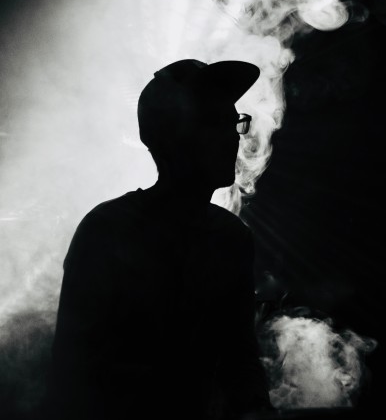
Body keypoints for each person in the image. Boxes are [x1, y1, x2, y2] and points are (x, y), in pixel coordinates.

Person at [48, 59, 272, 420]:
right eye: (214, 121)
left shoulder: (231, 238)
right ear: (173, 137)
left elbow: (239, 353)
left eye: (234, 122)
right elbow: (72, 374)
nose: (233, 136)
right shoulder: (109, 231)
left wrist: (256, 406)